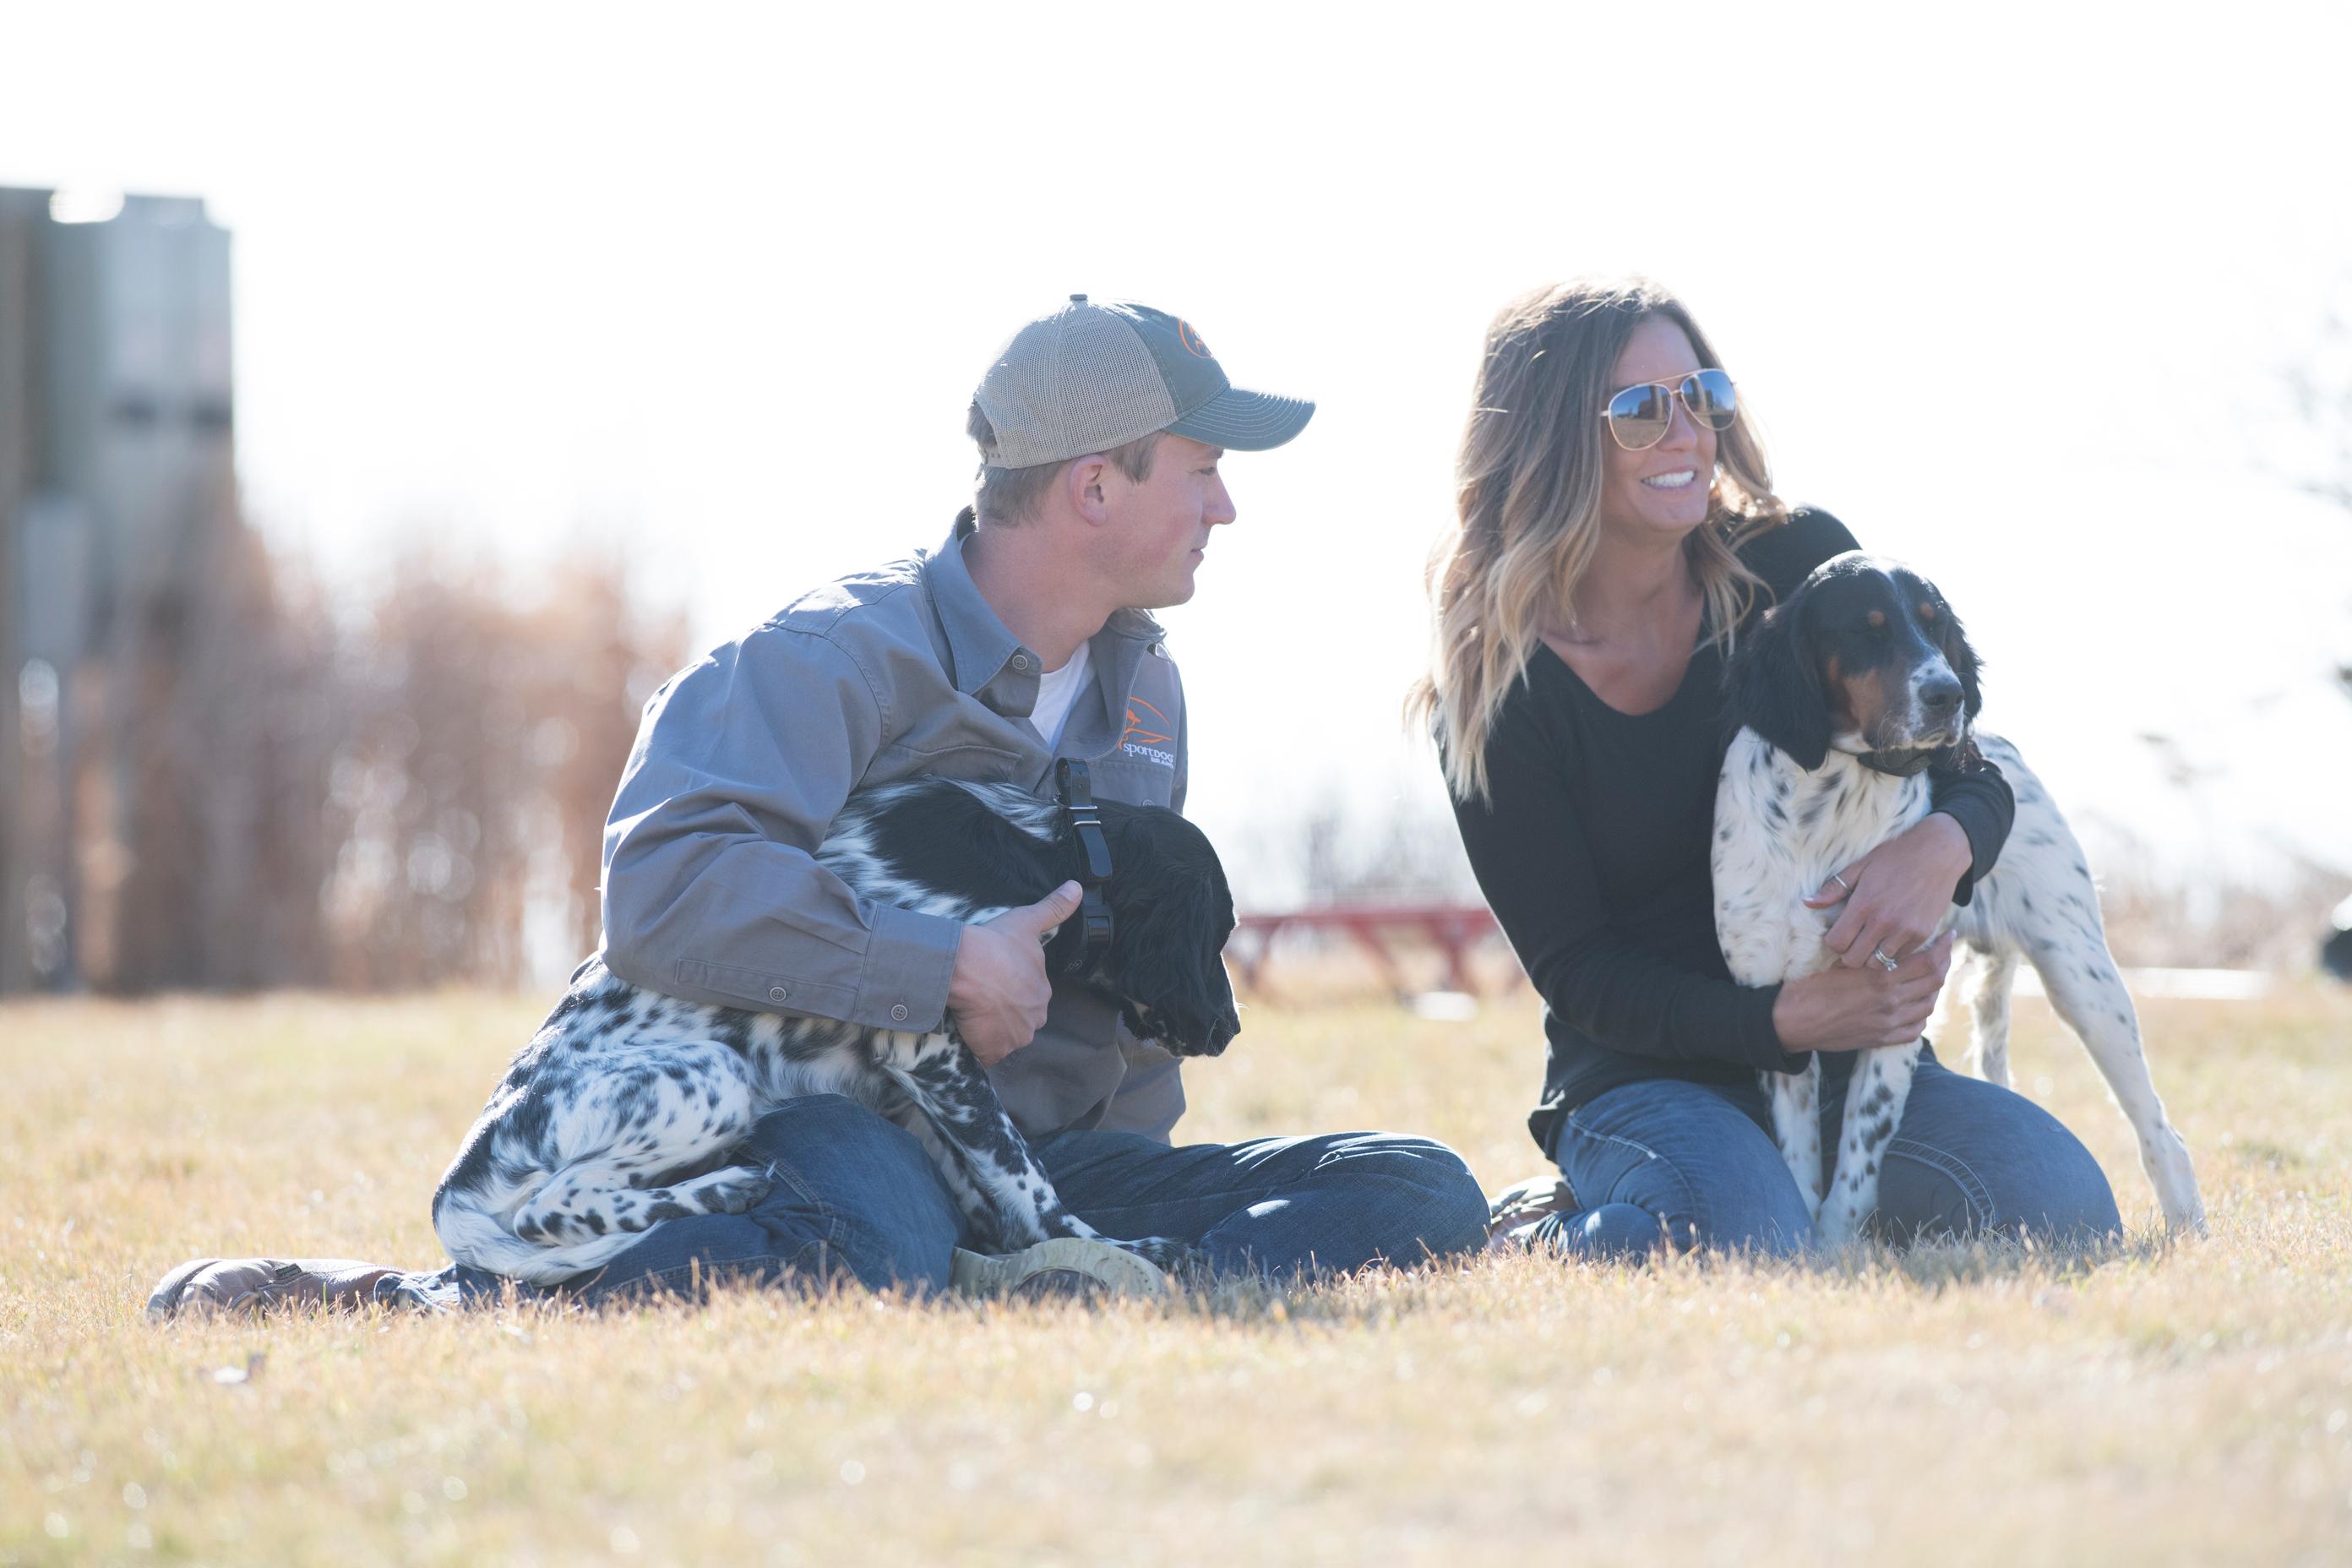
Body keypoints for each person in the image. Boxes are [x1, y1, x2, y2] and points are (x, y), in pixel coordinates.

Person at [151, 296, 1489, 1316]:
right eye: (1200, 468)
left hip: (1044, 1158)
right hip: (829, 1130)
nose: (1229, 505)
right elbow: (661, 895)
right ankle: (436, 1308)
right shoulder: (828, 660)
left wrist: (1112, 1191)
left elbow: (1130, 985)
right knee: (881, 1234)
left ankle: (1039, 1273)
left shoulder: (1150, 692)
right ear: (1095, 485)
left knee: (1416, 1191)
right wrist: (934, 967)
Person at [1412, 278, 2122, 1258]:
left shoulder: (1801, 563)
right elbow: (1580, 972)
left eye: (1700, 393)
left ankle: (1809, 1204)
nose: (1686, 430)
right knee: (1749, 1245)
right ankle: (1545, 1228)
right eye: (1637, 409)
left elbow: (1971, 764)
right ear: (1549, 439)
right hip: (1646, 1077)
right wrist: (1785, 1015)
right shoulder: (1495, 691)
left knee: (2061, 1206)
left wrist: (1942, 846)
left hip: (1855, 1060)